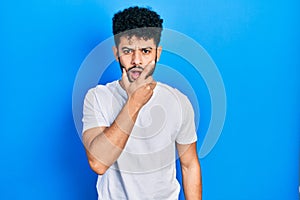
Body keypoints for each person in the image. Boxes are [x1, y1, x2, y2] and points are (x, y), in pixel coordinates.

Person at [82, 6, 202, 199]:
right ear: (116, 53)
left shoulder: (178, 101)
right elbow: (98, 163)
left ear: (158, 53)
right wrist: (134, 102)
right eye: (128, 51)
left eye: (146, 51)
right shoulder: (98, 97)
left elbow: (189, 165)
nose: (137, 60)